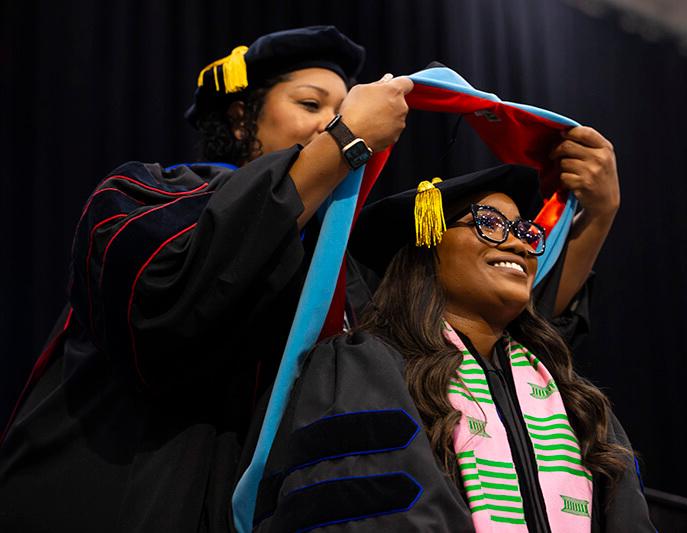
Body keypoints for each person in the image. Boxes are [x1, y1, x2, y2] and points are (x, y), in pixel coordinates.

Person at [0, 26, 412, 532]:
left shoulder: (341, 267)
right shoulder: (147, 197)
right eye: (311, 104)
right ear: (241, 119)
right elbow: (170, 312)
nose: (331, 121)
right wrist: (344, 141)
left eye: (342, 110)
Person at [258, 164, 653, 532]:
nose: (517, 243)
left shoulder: (569, 395)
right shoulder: (366, 365)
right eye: (489, 223)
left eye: (525, 231)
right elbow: (367, 512)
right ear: (428, 245)